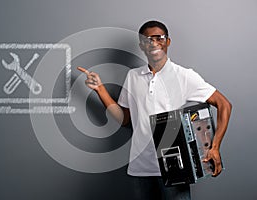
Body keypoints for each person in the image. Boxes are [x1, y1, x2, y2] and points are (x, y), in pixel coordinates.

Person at [77, 20, 232, 200]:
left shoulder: (184, 76)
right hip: (140, 169)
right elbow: (126, 120)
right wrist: (100, 90)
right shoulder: (133, 76)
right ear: (141, 45)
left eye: (159, 38)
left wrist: (215, 147)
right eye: (147, 39)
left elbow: (224, 105)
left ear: (168, 41)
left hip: (175, 169)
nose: (154, 43)